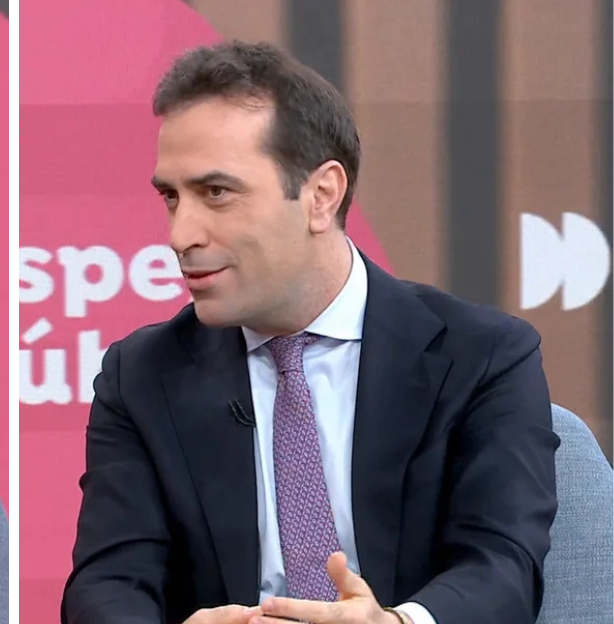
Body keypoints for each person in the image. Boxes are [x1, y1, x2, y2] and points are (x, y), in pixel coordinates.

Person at [61, 41, 558, 624]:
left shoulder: (481, 356)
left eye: (216, 193)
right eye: (171, 197)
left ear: (321, 196)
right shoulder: (142, 377)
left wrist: (396, 623)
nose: (180, 234)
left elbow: (502, 567)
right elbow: (107, 583)